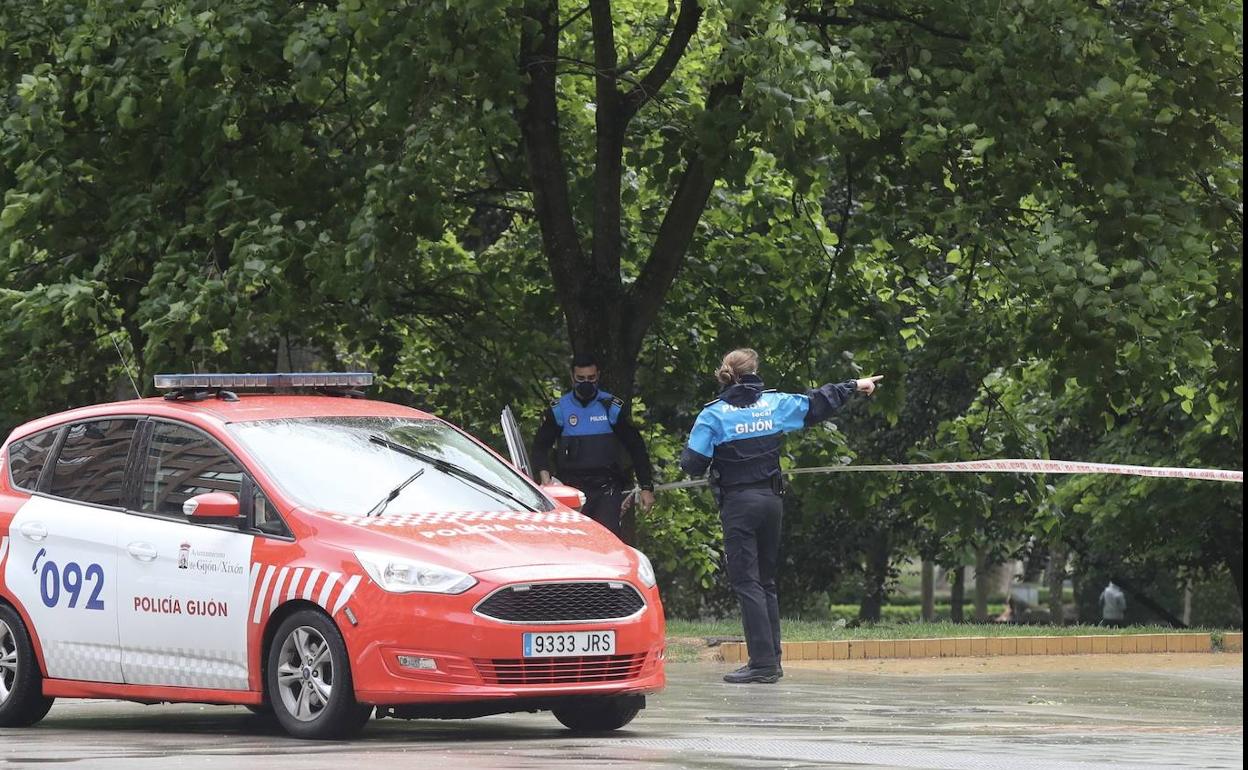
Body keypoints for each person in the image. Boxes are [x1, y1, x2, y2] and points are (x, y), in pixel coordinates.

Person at [679, 348, 881, 684]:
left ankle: (762, 664)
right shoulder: (774, 404)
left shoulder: (713, 415)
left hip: (739, 504)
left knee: (747, 582)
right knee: (767, 582)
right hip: (772, 501)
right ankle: (772, 660)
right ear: (755, 371)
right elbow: (817, 402)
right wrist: (854, 385)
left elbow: (692, 463)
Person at [530, 353, 656, 538]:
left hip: (606, 489)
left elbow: (636, 446)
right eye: (581, 379)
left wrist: (646, 487)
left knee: (607, 541)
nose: (586, 383)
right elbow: (540, 446)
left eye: (591, 378)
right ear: (572, 377)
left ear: (598, 376)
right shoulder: (560, 409)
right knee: (572, 542)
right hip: (571, 490)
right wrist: (545, 477)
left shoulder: (611, 407)